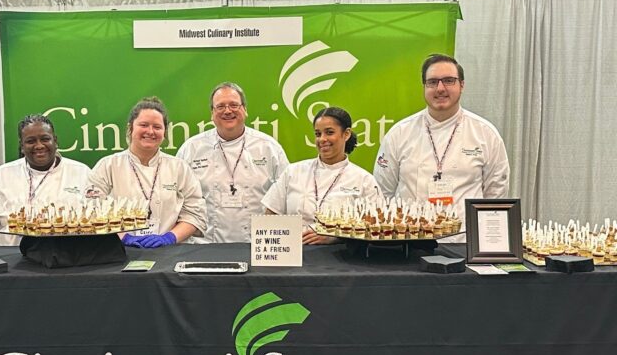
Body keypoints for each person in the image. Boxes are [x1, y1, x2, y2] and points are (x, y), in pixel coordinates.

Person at [373, 54, 510, 216]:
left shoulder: (486, 134)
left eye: (448, 80)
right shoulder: (400, 133)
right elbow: (382, 193)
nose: (440, 88)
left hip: (464, 237)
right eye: (432, 82)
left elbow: (495, 196)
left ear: (462, 85)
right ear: (424, 86)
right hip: (411, 236)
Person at [176, 82, 289, 243]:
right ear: (212, 113)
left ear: (245, 109)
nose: (228, 111)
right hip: (204, 247)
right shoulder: (191, 149)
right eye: (220, 106)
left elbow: (285, 197)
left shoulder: (269, 148)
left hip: (258, 246)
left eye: (234, 105)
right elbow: (178, 200)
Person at [88, 97, 206, 248]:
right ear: (130, 128)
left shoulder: (179, 168)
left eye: (157, 127)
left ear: (165, 133)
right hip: (120, 251)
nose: (150, 131)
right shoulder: (108, 166)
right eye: (143, 125)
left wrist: (170, 238)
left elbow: (195, 213)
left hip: (171, 251)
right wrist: (124, 237)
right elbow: (92, 209)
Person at [262, 106, 381, 245]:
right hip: (293, 254)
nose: (322, 139)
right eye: (318, 134)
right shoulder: (293, 172)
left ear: (346, 134)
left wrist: (336, 236)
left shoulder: (364, 180)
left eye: (329, 132)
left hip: (343, 259)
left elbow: (375, 228)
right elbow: (270, 214)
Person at [0, 114, 91, 246]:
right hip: (13, 258)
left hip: (69, 257)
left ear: (55, 141)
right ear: (22, 146)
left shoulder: (81, 172)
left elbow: (97, 217)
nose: (39, 146)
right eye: (31, 141)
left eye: (45, 139)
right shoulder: (2, 175)